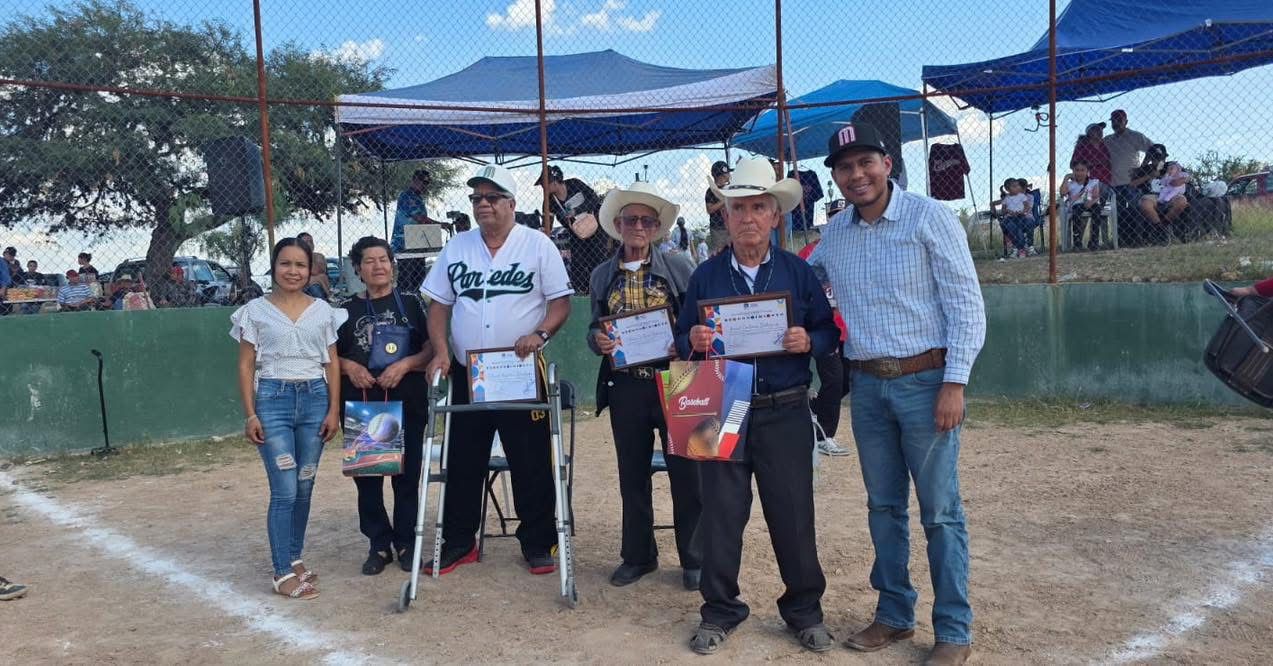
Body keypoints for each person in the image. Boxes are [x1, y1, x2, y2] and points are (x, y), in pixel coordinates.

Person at [809, 122, 985, 666]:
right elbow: (800, 283)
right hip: (866, 386)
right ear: (834, 177)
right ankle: (894, 615)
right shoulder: (836, 233)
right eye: (845, 167)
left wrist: (954, 383)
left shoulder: (930, 217)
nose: (857, 175)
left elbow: (966, 306)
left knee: (940, 512)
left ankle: (953, 629)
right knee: (883, 506)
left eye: (866, 163)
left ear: (887, 164)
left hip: (926, 382)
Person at [676, 156, 839, 655]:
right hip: (718, 402)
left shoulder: (798, 272)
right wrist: (695, 337)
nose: (748, 217)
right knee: (722, 514)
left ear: (775, 215)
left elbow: (829, 333)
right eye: (739, 207)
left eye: (758, 207)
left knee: (792, 512)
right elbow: (681, 341)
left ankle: (804, 610)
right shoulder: (704, 276)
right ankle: (721, 610)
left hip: (784, 406)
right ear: (726, 217)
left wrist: (805, 340)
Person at [421, 164, 573, 576]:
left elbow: (560, 303)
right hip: (469, 371)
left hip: (518, 368)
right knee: (463, 457)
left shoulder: (537, 245)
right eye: (476, 199)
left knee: (531, 458)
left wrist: (540, 334)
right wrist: (439, 352)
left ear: (511, 203)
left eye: (491, 198)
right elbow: (439, 305)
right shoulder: (458, 247)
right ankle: (458, 542)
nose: (483, 205)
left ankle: (539, 542)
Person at [587, 181, 702, 590]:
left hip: (679, 379)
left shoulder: (679, 267)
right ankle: (638, 556)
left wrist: (683, 340)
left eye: (646, 221)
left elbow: (697, 322)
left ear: (655, 228)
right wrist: (597, 341)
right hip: (627, 385)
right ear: (618, 225)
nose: (637, 226)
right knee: (631, 473)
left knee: (688, 471)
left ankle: (695, 557)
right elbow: (592, 328)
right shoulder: (602, 275)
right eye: (630, 219)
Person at [230, 237, 345, 600]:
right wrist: (250, 414)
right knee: (285, 490)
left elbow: (333, 363)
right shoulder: (254, 311)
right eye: (285, 264)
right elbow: (247, 364)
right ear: (274, 266)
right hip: (273, 400)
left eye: (300, 265)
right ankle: (281, 572)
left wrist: (333, 409)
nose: (293, 271)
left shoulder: (323, 311)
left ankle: (294, 557)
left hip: (314, 399)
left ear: (310, 269)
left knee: (306, 483)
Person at [335, 236, 435, 575]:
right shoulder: (344, 310)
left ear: (392, 264)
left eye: (383, 259)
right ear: (358, 269)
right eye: (369, 261)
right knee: (369, 476)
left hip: (406, 398)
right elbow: (328, 356)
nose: (378, 266)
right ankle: (378, 544)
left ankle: (406, 541)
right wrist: (350, 367)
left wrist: (405, 365)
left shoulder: (411, 303)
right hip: (365, 401)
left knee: (407, 474)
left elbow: (431, 350)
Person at [796, 233, 851, 456]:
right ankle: (823, 436)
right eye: (833, 216)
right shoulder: (811, 251)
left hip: (848, 330)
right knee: (834, 379)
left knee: (845, 380)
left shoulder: (851, 248)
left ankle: (812, 415)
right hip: (822, 329)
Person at [538, 164, 610, 295]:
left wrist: (576, 211)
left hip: (595, 229)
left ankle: (602, 289)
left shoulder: (575, 184)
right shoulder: (549, 201)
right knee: (578, 264)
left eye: (544, 184)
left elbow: (594, 199)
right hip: (576, 235)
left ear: (554, 181)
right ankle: (581, 292)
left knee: (598, 259)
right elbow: (547, 223)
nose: (543, 188)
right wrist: (544, 228)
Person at [1103, 109, 1153, 209]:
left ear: (1126, 122)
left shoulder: (1136, 136)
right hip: (1114, 184)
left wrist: (1142, 168)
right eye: (1113, 121)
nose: (1116, 123)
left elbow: (1153, 149)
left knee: (1135, 212)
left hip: (1132, 183)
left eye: (1119, 120)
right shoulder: (1107, 140)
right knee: (1118, 216)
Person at [1063, 160, 1104, 251]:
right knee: (1076, 213)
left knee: (1097, 210)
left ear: (1087, 171)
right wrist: (1066, 178)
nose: (1079, 173)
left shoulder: (1093, 182)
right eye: (1077, 170)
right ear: (1073, 171)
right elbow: (1063, 192)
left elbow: (1096, 196)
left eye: (1082, 170)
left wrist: (1091, 202)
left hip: (1090, 203)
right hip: (1077, 204)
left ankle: (1094, 241)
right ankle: (1077, 242)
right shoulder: (1070, 184)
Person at [392, 169, 432, 253]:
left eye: (427, 183)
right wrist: (440, 225)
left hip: (416, 241)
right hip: (403, 244)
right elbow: (420, 218)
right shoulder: (407, 196)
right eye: (424, 182)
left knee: (419, 264)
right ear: (415, 180)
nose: (425, 185)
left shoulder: (418, 198)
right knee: (409, 264)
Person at [994, 177, 1035, 257]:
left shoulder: (1022, 196)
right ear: (1007, 189)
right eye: (1014, 186)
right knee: (1012, 227)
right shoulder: (1006, 198)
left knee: (1025, 224)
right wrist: (1009, 211)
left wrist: (1022, 211)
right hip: (1011, 217)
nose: (1017, 188)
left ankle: (1023, 248)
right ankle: (1019, 249)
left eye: (1017, 186)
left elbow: (1027, 207)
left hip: (1022, 216)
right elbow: (1003, 210)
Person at [789, 166, 824, 249]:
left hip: (808, 220)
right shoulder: (791, 175)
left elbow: (818, 194)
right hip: (794, 222)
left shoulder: (812, 175)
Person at [704, 160, 731, 254]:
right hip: (718, 228)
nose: (729, 175)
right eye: (727, 173)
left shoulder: (730, 188)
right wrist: (724, 200)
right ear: (721, 176)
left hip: (731, 225)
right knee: (720, 253)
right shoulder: (711, 191)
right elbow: (710, 209)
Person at [298, 232, 331, 299]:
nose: (309, 244)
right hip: (302, 285)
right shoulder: (296, 257)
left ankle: (323, 302)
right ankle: (327, 297)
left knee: (317, 282)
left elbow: (321, 271)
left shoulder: (319, 256)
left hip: (316, 284)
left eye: (311, 242)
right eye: (306, 242)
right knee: (315, 286)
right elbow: (314, 272)